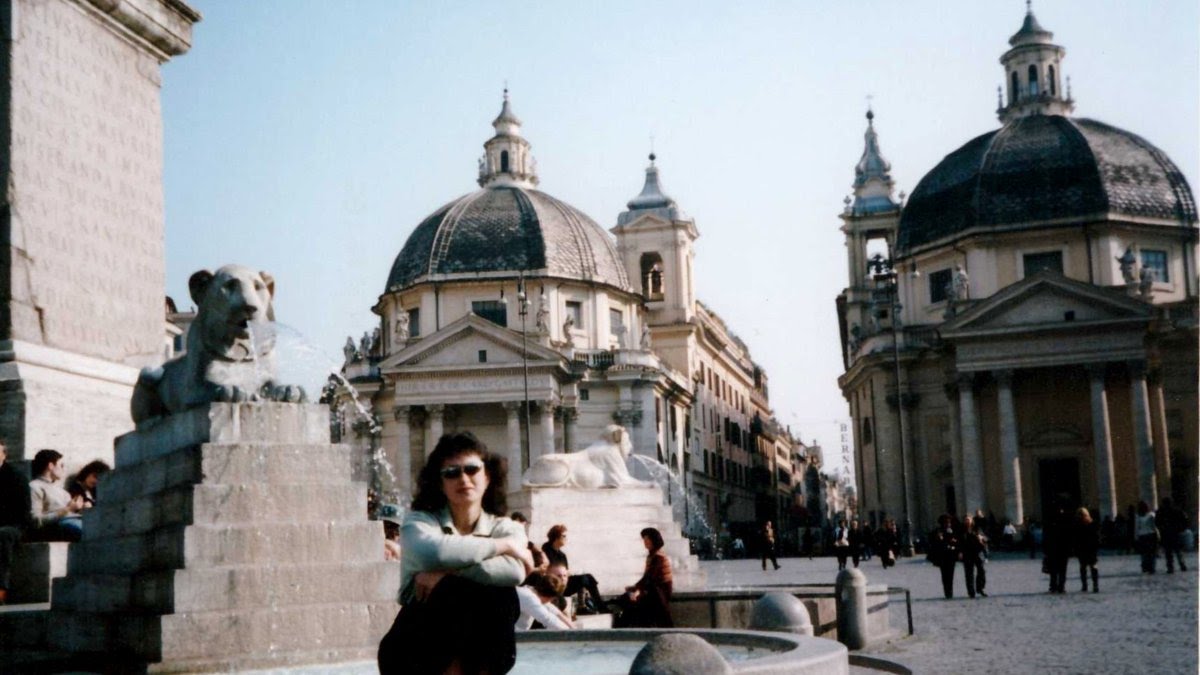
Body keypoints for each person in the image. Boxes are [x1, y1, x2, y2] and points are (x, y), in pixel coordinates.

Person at [377, 432, 533, 675]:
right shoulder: (419, 522)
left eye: (472, 469)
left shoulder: (505, 526)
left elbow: (514, 571)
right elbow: (432, 552)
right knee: (456, 590)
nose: (463, 478)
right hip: (417, 652)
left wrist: (446, 572)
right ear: (440, 483)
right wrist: (501, 547)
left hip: (478, 653)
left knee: (502, 593)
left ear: (487, 476)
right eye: (451, 472)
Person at [613, 527, 673, 628]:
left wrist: (637, 590)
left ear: (654, 540)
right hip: (653, 590)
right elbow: (647, 578)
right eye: (644, 539)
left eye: (647, 539)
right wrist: (635, 588)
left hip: (659, 593)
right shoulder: (652, 555)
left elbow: (649, 578)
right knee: (626, 599)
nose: (645, 542)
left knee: (629, 600)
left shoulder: (658, 557)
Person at [541, 524, 603, 614]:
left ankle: (591, 606)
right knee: (583, 579)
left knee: (587, 578)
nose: (566, 539)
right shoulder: (545, 550)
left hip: (563, 583)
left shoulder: (562, 555)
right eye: (564, 536)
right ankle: (594, 607)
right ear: (556, 537)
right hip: (552, 584)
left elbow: (566, 571)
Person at [0, 438, 32, 605]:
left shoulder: (15, 477)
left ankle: (1, 590)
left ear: (4, 455)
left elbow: (23, 512)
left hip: (15, 526)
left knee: (2, 535)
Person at [28, 449, 84, 541]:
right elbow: (35, 521)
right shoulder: (35, 487)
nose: (63, 469)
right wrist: (68, 509)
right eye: (61, 465)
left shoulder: (63, 492)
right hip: (53, 528)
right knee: (87, 531)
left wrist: (81, 508)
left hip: (72, 522)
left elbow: (71, 512)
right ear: (50, 466)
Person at [928, 515, 959, 599]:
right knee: (944, 575)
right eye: (946, 522)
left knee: (951, 574)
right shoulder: (938, 531)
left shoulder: (952, 530)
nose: (948, 524)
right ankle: (947, 592)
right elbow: (933, 541)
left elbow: (956, 541)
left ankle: (950, 591)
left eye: (949, 522)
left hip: (951, 555)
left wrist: (953, 543)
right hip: (942, 556)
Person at [1043, 504, 1071, 593]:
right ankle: (1061, 586)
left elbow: (1046, 538)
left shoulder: (1050, 524)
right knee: (1062, 570)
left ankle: (1053, 586)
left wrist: (1046, 550)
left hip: (1054, 550)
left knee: (1053, 570)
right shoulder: (1066, 524)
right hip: (1062, 550)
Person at [1156, 498, 1188, 573]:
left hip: (1166, 534)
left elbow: (1157, 522)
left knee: (1169, 552)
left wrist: (1161, 528)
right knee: (1178, 551)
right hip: (1175, 533)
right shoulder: (1176, 510)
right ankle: (1182, 564)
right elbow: (1184, 520)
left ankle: (1170, 567)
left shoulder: (1161, 512)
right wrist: (1181, 528)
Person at [960, 516, 988, 598]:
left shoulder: (977, 529)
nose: (967, 521)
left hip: (977, 552)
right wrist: (960, 552)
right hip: (967, 553)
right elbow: (959, 542)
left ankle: (980, 588)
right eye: (966, 520)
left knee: (981, 571)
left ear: (972, 520)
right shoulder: (961, 530)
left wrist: (982, 538)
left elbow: (985, 538)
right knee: (969, 574)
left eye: (969, 519)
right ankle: (971, 592)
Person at [1073, 507, 1100, 592]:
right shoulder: (1091, 524)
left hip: (1084, 549)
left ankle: (1085, 585)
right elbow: (1096, 537)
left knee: (1084, 568)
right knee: (1092, 567)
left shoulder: (1077, 525)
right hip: (1090, 549)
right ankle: (1094, 585)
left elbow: (1075, 538)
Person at [1134, 500, 1159, 574]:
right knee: (1152, 553)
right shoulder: (1151, 515)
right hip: (1151, 535)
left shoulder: (1138, 516)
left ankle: (1145, 567)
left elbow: (1136, 527)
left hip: (1142, 536)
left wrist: (1136, 537)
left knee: (1144, 553)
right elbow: (1155, 526)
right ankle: (1152, 567)